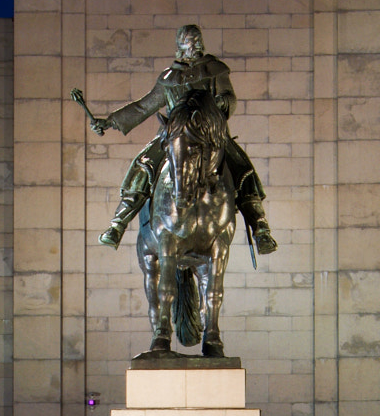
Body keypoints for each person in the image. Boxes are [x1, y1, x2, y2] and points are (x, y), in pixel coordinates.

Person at [88, 24, 279, 256]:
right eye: (191, 42)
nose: (196, 46)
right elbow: (143, 107)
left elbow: (229, 97)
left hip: (211, 136)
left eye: (198, 41)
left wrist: (216, 105)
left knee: (242, 167)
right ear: (180, 46)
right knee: (144, 164)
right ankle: (118, 224)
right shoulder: (169, 78)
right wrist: (109, 121)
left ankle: (261, 228)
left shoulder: (214, 69)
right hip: (174, 136)